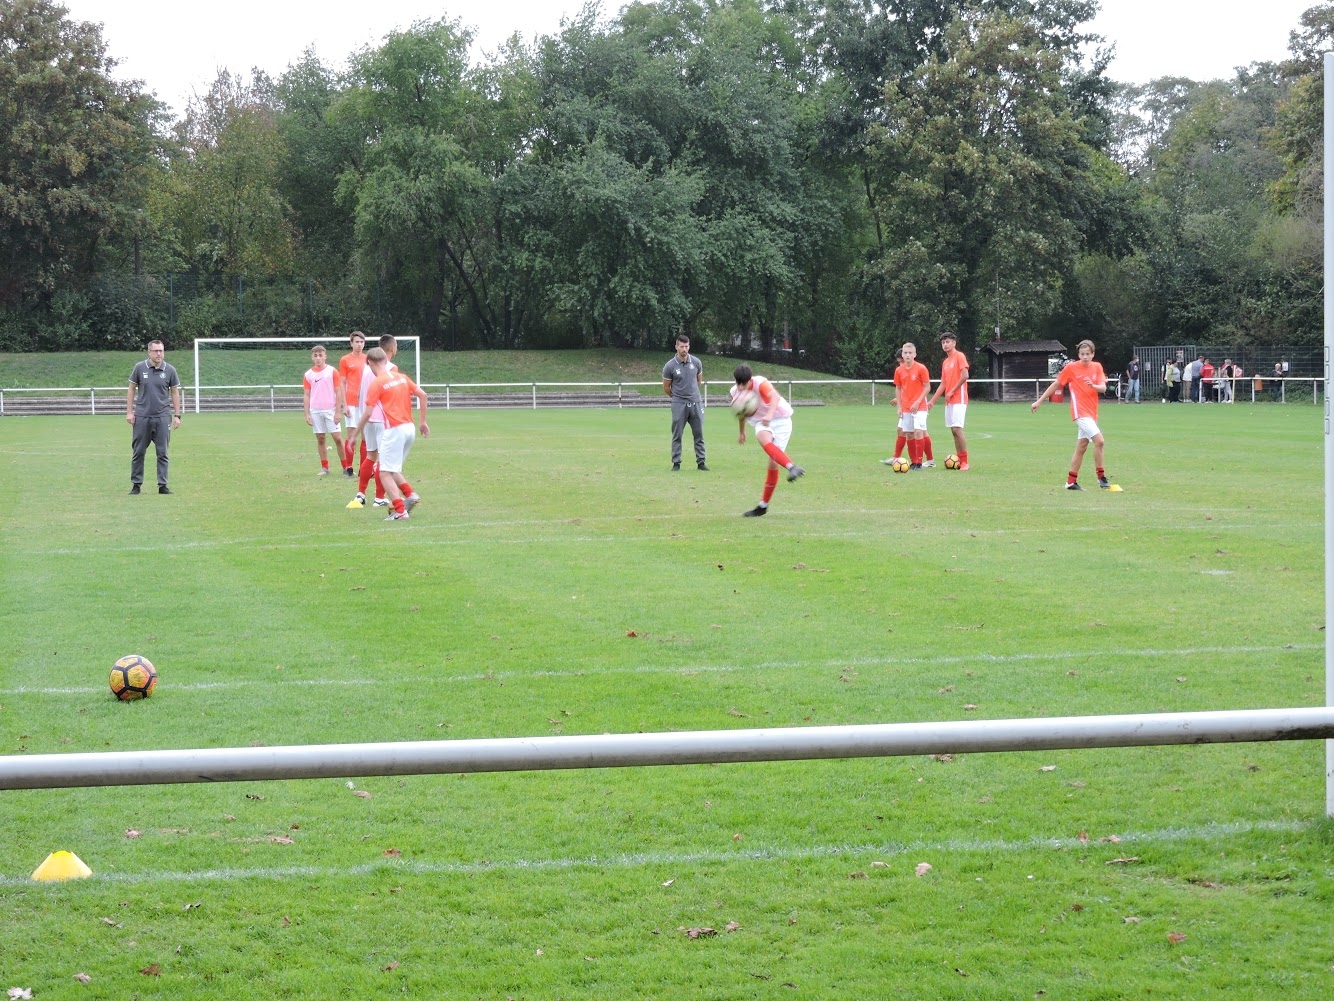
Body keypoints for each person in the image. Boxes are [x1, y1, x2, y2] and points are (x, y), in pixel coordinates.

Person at [348, 348, 429, 521]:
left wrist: (354, 434)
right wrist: (423, 422)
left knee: (384, 472)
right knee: (391, 468)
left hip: (394, 430)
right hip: (409, 428)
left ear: (369, 363)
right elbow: (423, 395)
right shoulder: (402, 377)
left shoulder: (377, 383)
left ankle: (400, 512)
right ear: (386, 360)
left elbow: (368, 412)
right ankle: (410, 495)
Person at [1030, 339, 1112, 491]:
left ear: (1093, 354)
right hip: (1079, 412)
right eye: (1082, 354)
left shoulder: (1097, 367)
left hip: (1092, 413)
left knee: (1082, 446)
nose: (1085, 357)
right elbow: (1056, 384)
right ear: (1078, 355)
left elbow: (1103, 388)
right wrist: (1039, 401)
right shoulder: (1071, 368)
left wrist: (1092, 385)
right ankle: (1101, 477)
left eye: (1088, 354)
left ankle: (1070, 482)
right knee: (1100, 441)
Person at [731, 364, 804, 517]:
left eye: (744, 384)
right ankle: (792, 467)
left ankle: (763, 506)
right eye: (739, 383)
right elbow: (741, 413)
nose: (741, 387)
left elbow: (775, 397)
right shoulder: (735, 392)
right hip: (762, 422)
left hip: (782, 419)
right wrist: (742, 432)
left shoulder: (760, 383)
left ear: (750, 380)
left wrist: (769, 415)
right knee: (763, 438)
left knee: (773, 462)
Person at [348, 335, 399, 508]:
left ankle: (360, 495)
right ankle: (379, 497)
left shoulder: (366, 367)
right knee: (384, 460)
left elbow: (361, 394)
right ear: (392, 348)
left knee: (370, 456)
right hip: (382, 419)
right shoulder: (392, 368)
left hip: (367, 417)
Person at [126, 339, 182, 494]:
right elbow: (131, 389)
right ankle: (136, 485)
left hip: (162, 417)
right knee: (138, 452)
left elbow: (175, 393)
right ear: (149, 352)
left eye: (161, 351)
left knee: (163, 453)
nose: (159, 354)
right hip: (142, 417)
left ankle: (162, 485)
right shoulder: (139, 368)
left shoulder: (170, 370)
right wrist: (129, 412)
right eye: (156, 351)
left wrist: (177, 415)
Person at [303, 345, 351, 476]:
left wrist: (337, 411)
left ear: (325, 356)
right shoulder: (308, 374)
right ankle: (325, 467)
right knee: (321, 438)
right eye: (315, 355)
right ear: (312, 357)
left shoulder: (332, 371)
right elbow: (306, 394)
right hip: (315, 411)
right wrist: (307, 414)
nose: (318, 358)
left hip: (330, 410)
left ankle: (345, 467)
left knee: (337, 438)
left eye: (320, 355)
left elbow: (338, 391)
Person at [662, 333, 707, 471]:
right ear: (676, 347)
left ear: (689, 346)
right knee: (677, 435)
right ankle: (676, 463)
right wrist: (678, 397)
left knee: (699, 434)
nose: (684, 349)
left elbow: (698, 381)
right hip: (679, 404)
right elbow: (666, 387)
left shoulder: (696, 362)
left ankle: (701, 462)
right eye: (681, 346)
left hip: (696, 403)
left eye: (686, 346)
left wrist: (692, 394)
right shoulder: (669, 366)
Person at [927, 331, 970, 469]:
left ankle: (965, 462)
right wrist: (932, 401)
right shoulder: (945, 362)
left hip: (959, 399)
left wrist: (952, 390)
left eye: (947, 342)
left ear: (954, 343)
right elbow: (943, 384)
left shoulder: (959, 356)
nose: (945, 344)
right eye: (943, 342)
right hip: (949, 400)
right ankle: (960, 459)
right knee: (953, 431)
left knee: (957, 429)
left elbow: (965, 375)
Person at [892, 342, 931, 469]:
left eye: (910, 353)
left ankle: (919, 462)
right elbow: (898, 388)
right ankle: (913, 461)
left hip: (920, 406)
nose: (907, 355)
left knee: (918, 431)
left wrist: (918, 401)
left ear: (915, 354)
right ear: (902, 355)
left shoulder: (921, 368)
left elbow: (927, 387)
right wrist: (899, 407)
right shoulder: (899, 370)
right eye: (905, 353)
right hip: (906, 407)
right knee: (909, 433)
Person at [338, 331, 369, 475]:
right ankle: (348, 468)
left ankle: (364, 469)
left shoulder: (368, 359)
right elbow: (342, 383)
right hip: (351, 402)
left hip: (365, 402)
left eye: (362, 342)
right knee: (351, 435)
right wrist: (344, 404)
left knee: (365, 435)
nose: (359, 345)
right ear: (351, 343)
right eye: (357, 342)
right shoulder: (345, 360)